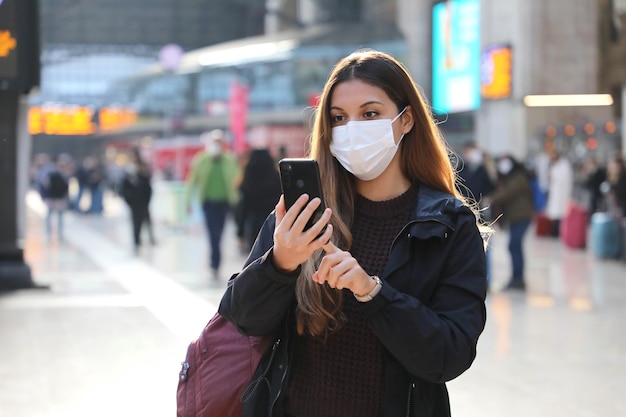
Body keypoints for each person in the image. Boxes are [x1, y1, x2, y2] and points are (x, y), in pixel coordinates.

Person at [218, 49, 488, 417]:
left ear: (406, 120)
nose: (353, 129)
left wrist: (372, 292)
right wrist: (279, 264)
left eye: (371, 113)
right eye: (339, 118)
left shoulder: (447, 225)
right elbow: (242, 321)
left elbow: (450, 355)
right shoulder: (304, 213)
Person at [186, 130, 240, 279]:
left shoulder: (229, 160)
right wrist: (188, 201)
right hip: (208, 203)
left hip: (224, 202)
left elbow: (235, 178)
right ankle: (214, 262)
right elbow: (192, 181)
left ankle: (215, 260)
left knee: (220, 232)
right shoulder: (202, 160)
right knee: (213, 233)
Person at [485, 155, 535, 291]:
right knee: (514, 246)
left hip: (522, 216)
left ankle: (518, 279)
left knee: (514, 245)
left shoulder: (519, 177)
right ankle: (517, 278)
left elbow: (507, 193)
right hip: (515, 217)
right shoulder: (508, 178)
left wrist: (491, 199)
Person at [236, 147, 282, 252]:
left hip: (254, 224)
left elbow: (243, 207)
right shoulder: (277, 179)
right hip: (275, 222)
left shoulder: (248, 180)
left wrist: (240, 232)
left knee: (256, 258)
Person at [120, 149, 155, 254]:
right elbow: (124, 190)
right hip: (134, 204)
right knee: (135, 222)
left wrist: (147, 201)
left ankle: (151, 238)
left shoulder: (143, 175)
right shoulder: (127, 177)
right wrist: (129, 201)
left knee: (147, 220)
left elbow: (148, 189)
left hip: (143, 202)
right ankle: (136, 240)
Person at [38, 154, 72, 242]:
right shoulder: (54, 175)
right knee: (52, 216)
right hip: (54, 199)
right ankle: (51, 234)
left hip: (56, 199)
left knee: (55, 216)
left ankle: (54, 234)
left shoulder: (61, 175)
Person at [545, 151, 573, 237]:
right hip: (555, 192)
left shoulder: (564, 166)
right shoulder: (555, 166)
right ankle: (554, 230)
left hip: (562, 193)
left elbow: (564, 179)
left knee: (560, 213)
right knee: (554, 213)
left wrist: (553, 177)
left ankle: (558, 232)